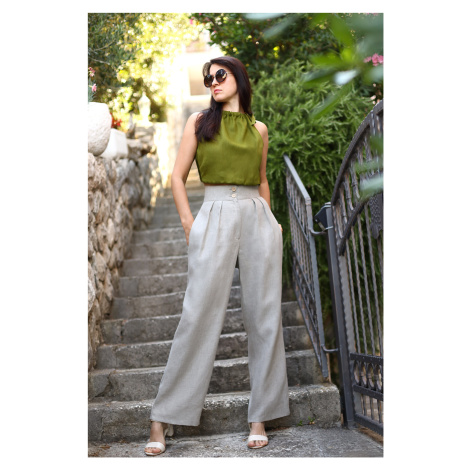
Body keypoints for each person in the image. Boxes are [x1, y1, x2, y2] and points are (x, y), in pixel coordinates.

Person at [144, 56, 290, 456]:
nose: (213, 82)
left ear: (238, 76)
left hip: (257, 217)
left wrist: (273, 221)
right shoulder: (199, 123)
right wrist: (189, 224)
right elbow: (177, 177)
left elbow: (261, 180)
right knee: (198, 315)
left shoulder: (259, 129)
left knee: (264, 316)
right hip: (213, 213)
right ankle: (162, 416)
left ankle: (259, 416)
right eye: (208, 78)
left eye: (219, 74)